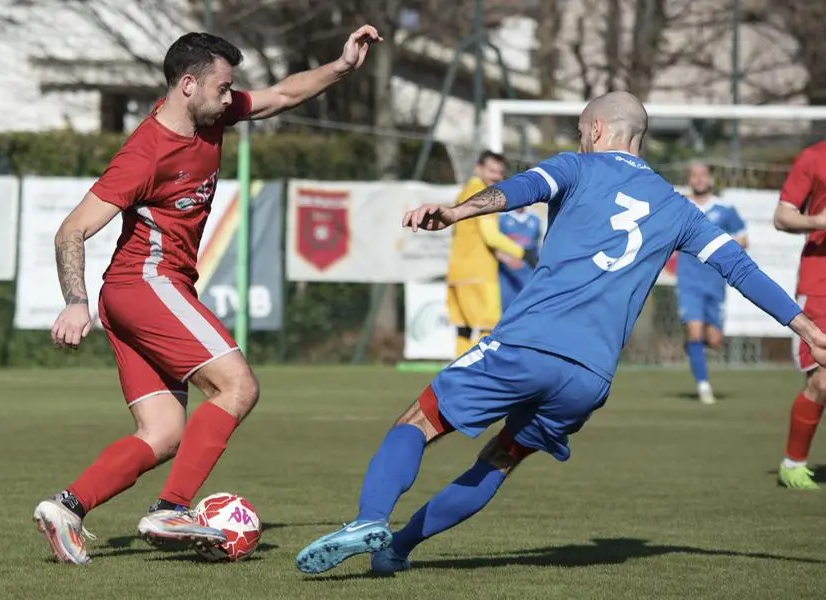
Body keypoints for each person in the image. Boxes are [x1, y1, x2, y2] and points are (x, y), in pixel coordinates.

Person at [294, 91, 826, 576]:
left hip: (526, 345)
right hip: (590, 378)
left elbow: (520, 190)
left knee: (418, 421)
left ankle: (370, 518)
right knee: (500, 460)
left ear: (595, 131)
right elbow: (741, 268)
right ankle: (399, 549)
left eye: (579, 130)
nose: (578, 139)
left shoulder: (577, 166)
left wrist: (458, 210)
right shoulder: (678, 208)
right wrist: (803, 325)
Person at [33, 26, 382, 565]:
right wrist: (74, 301)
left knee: (164, 433)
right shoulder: (144, 153)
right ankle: (172, 507)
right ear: (188, 85)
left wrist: (341, 66)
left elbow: (283, 94)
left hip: (137, 293)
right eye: (223, 87)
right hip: (144, 284)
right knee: (238, 387)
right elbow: (71, 231)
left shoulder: (213, 114)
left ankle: (67, 508)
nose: (231, 96)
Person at [774, 139, 826, 489]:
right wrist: (817, 221)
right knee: (823, 380)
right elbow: (782, 216)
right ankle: (793, 464)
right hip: (822, 282)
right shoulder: (814, 157)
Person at [675, 162, 748, 404]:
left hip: (715, 282)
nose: (698, 179)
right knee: (695, 332)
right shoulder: (680, 206)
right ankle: (704, 386)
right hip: (689, 281)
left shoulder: (725, 209)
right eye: (694, 175)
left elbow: (743, 239)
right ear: (689, 180)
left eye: (702, 175)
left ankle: (694, 348)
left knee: (714, 341)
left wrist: (720, 248)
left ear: (710, 179)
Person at [446, 150, 526, 356]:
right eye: (492, 171)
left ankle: (457, 375)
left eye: (499, 172)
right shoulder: (483, 195)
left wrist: (503, 257)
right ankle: (480, 374)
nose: (496, 177)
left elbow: (475, 237)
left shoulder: (464, 191)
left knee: (463, 328)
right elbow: (490, 235)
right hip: (479, 274)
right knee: (488, 325)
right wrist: (521, 252)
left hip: (457, 272)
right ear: (478, 169)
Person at [497, 206, 543, 311]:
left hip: (528, 274)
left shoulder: (535, 219)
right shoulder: (501, 219)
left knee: (528, 309)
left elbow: (538, 246)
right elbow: (495, 247)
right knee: (507, 311)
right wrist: (507, 259)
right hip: (507, 276)